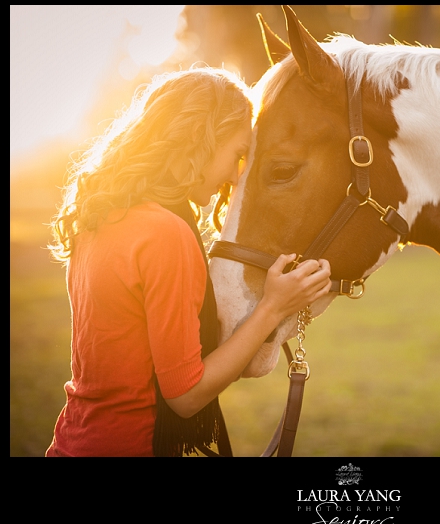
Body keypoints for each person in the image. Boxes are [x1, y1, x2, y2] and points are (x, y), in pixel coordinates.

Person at [45, 67, 332, 457]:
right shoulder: (165, 233)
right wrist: (273, 307)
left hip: (75, 440)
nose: (234, 176)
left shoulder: (98, 216)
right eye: (236, 155)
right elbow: (186, 394)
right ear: (201, 138)